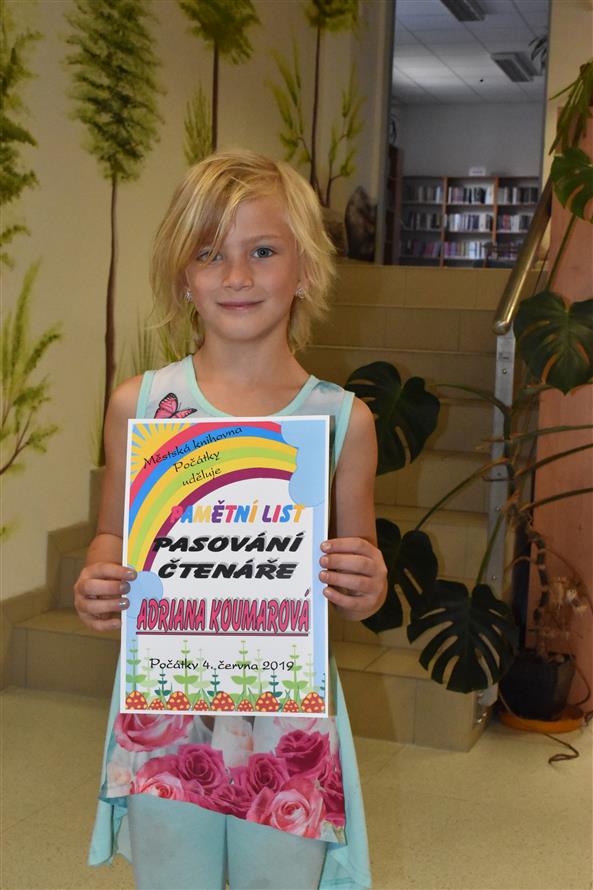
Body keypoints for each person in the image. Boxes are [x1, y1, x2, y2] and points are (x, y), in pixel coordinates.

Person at [74, 150, 387, 890]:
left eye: (263, 251)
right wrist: (98, 575)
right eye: (209, 253)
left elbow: (360, 575)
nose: (236, 275)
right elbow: (112, 534)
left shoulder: (341, 420)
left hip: (288, 718)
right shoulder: (141, 406)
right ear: (182, 276)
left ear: (304, 269)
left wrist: (366, 583)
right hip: (167, 708)